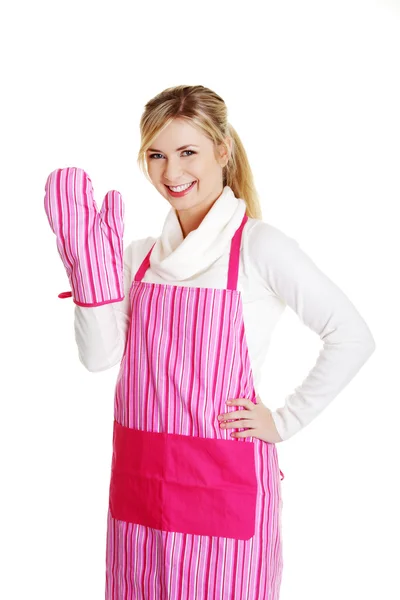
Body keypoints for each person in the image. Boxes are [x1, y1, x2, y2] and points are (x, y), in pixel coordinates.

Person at [44, 84, 376, 600]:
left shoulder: (260, 249)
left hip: (223, 494)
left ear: (222, 151)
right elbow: (98, 358)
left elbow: (352, 335)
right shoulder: (140, 258)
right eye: (157, 155)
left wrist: (283, 421)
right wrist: (91, 276)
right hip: (141, 497)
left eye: (187, 152)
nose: (172, 173)